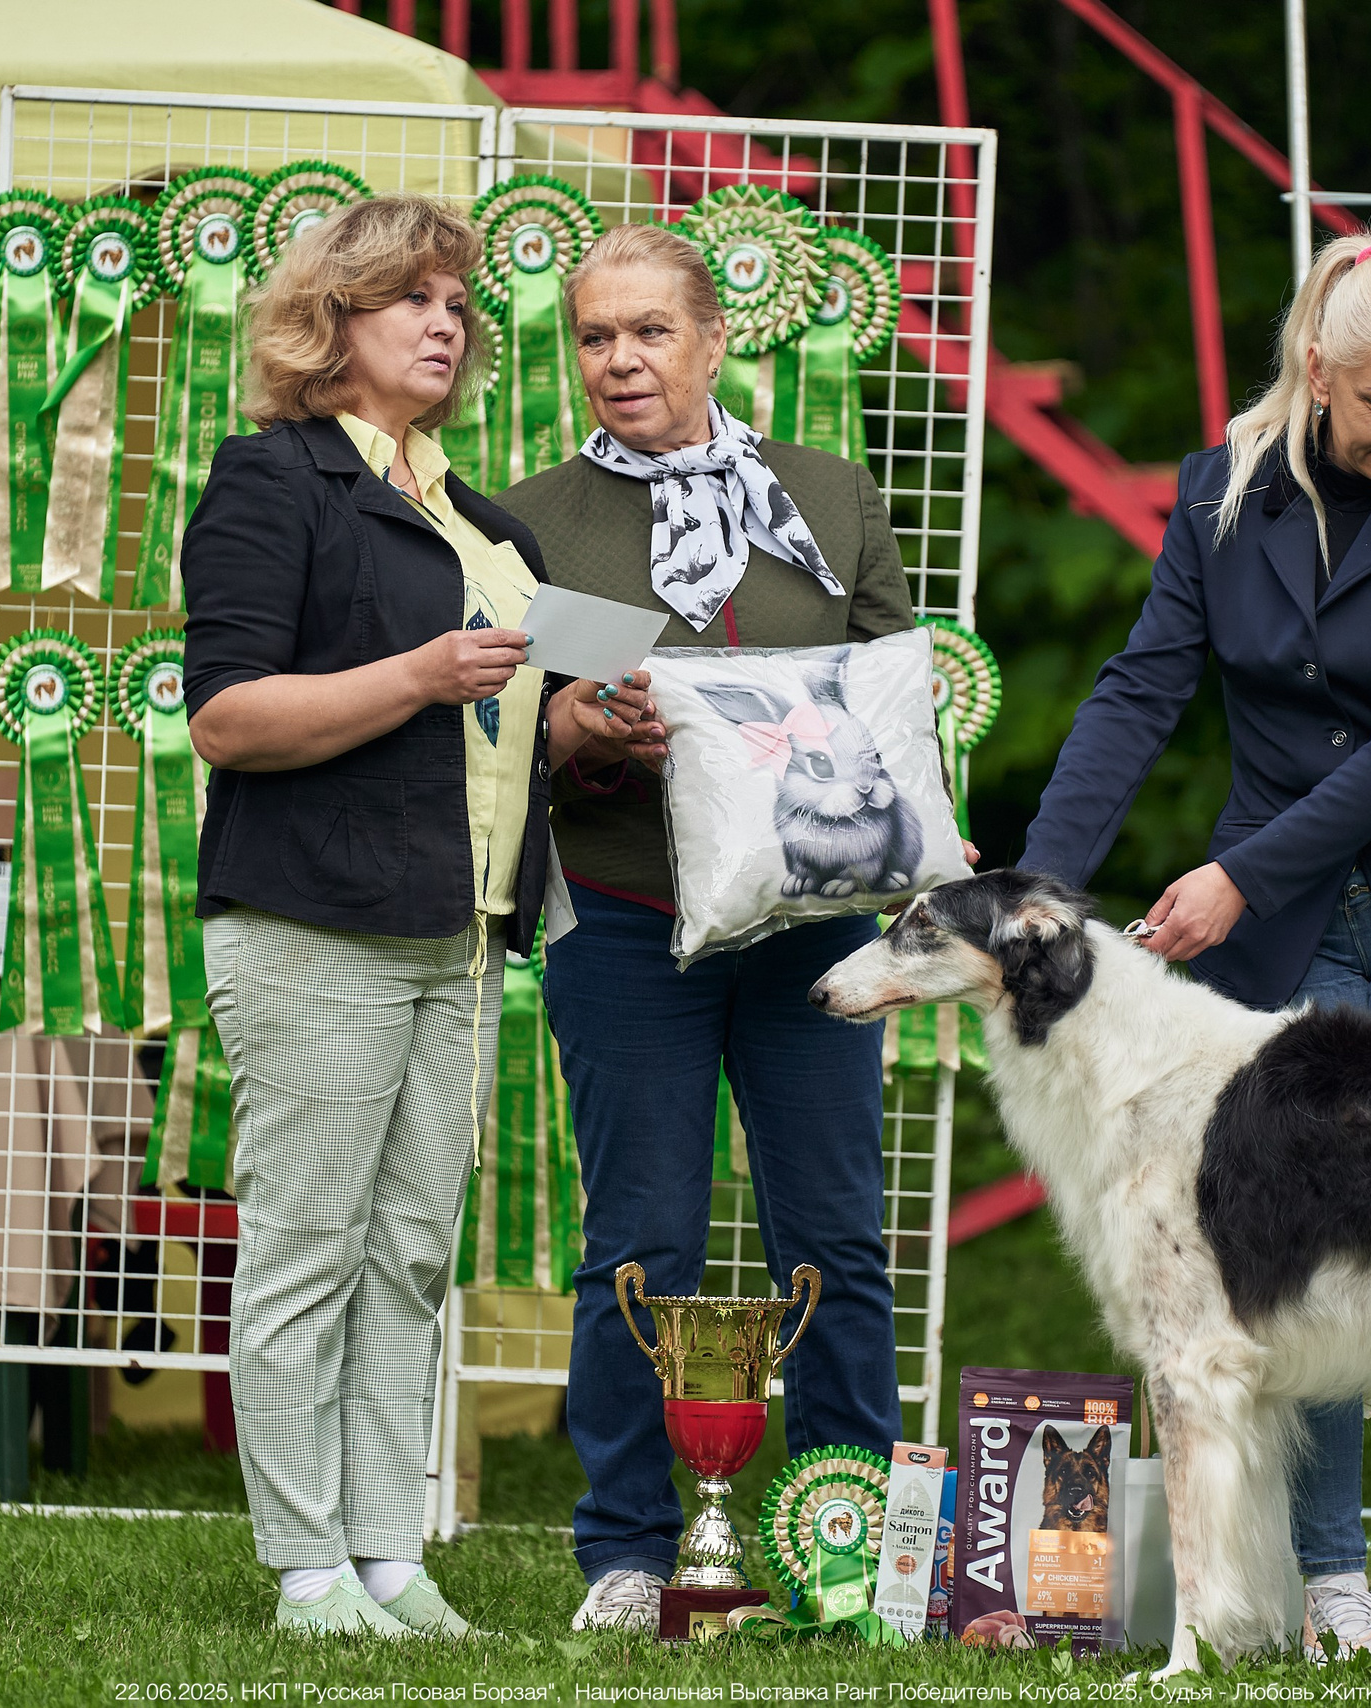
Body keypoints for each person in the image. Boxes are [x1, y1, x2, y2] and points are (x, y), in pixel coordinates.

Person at [1019, 233, 1371, 1676]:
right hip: (1291, 932)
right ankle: (1328, 1577)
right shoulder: (1215, 496)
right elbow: (1140, 690)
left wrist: (1236, 880)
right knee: (1296, 1252)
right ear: (1317, 375)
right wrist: (1042, 886)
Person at [180, 195, 646, 1640]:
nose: (445, 322)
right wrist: (418, 674)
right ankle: (305, 1569)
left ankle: (388, 1554)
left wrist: (599, 714)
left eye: (457, 303)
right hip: (313, 924)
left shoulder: (484, 520)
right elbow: (228, 718)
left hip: (463, 933)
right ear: (332, 327)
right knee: (308, 1247)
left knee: (412, 1256)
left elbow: (523, 717)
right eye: (409, 301)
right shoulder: (274, 481)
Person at [493, 223, 943, 1633]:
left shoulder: (828, 494)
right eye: (593, 337)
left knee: (837, 1238)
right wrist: (580, 730)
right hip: (625, 919)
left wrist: (911, 845)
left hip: (812, 930)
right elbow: (511, 733)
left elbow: (894, 689)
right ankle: (631, 1552)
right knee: (642, 1244)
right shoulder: (532, 520)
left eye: (648, 332)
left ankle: (845, 1538)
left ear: (712, 338)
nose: (620, 361)